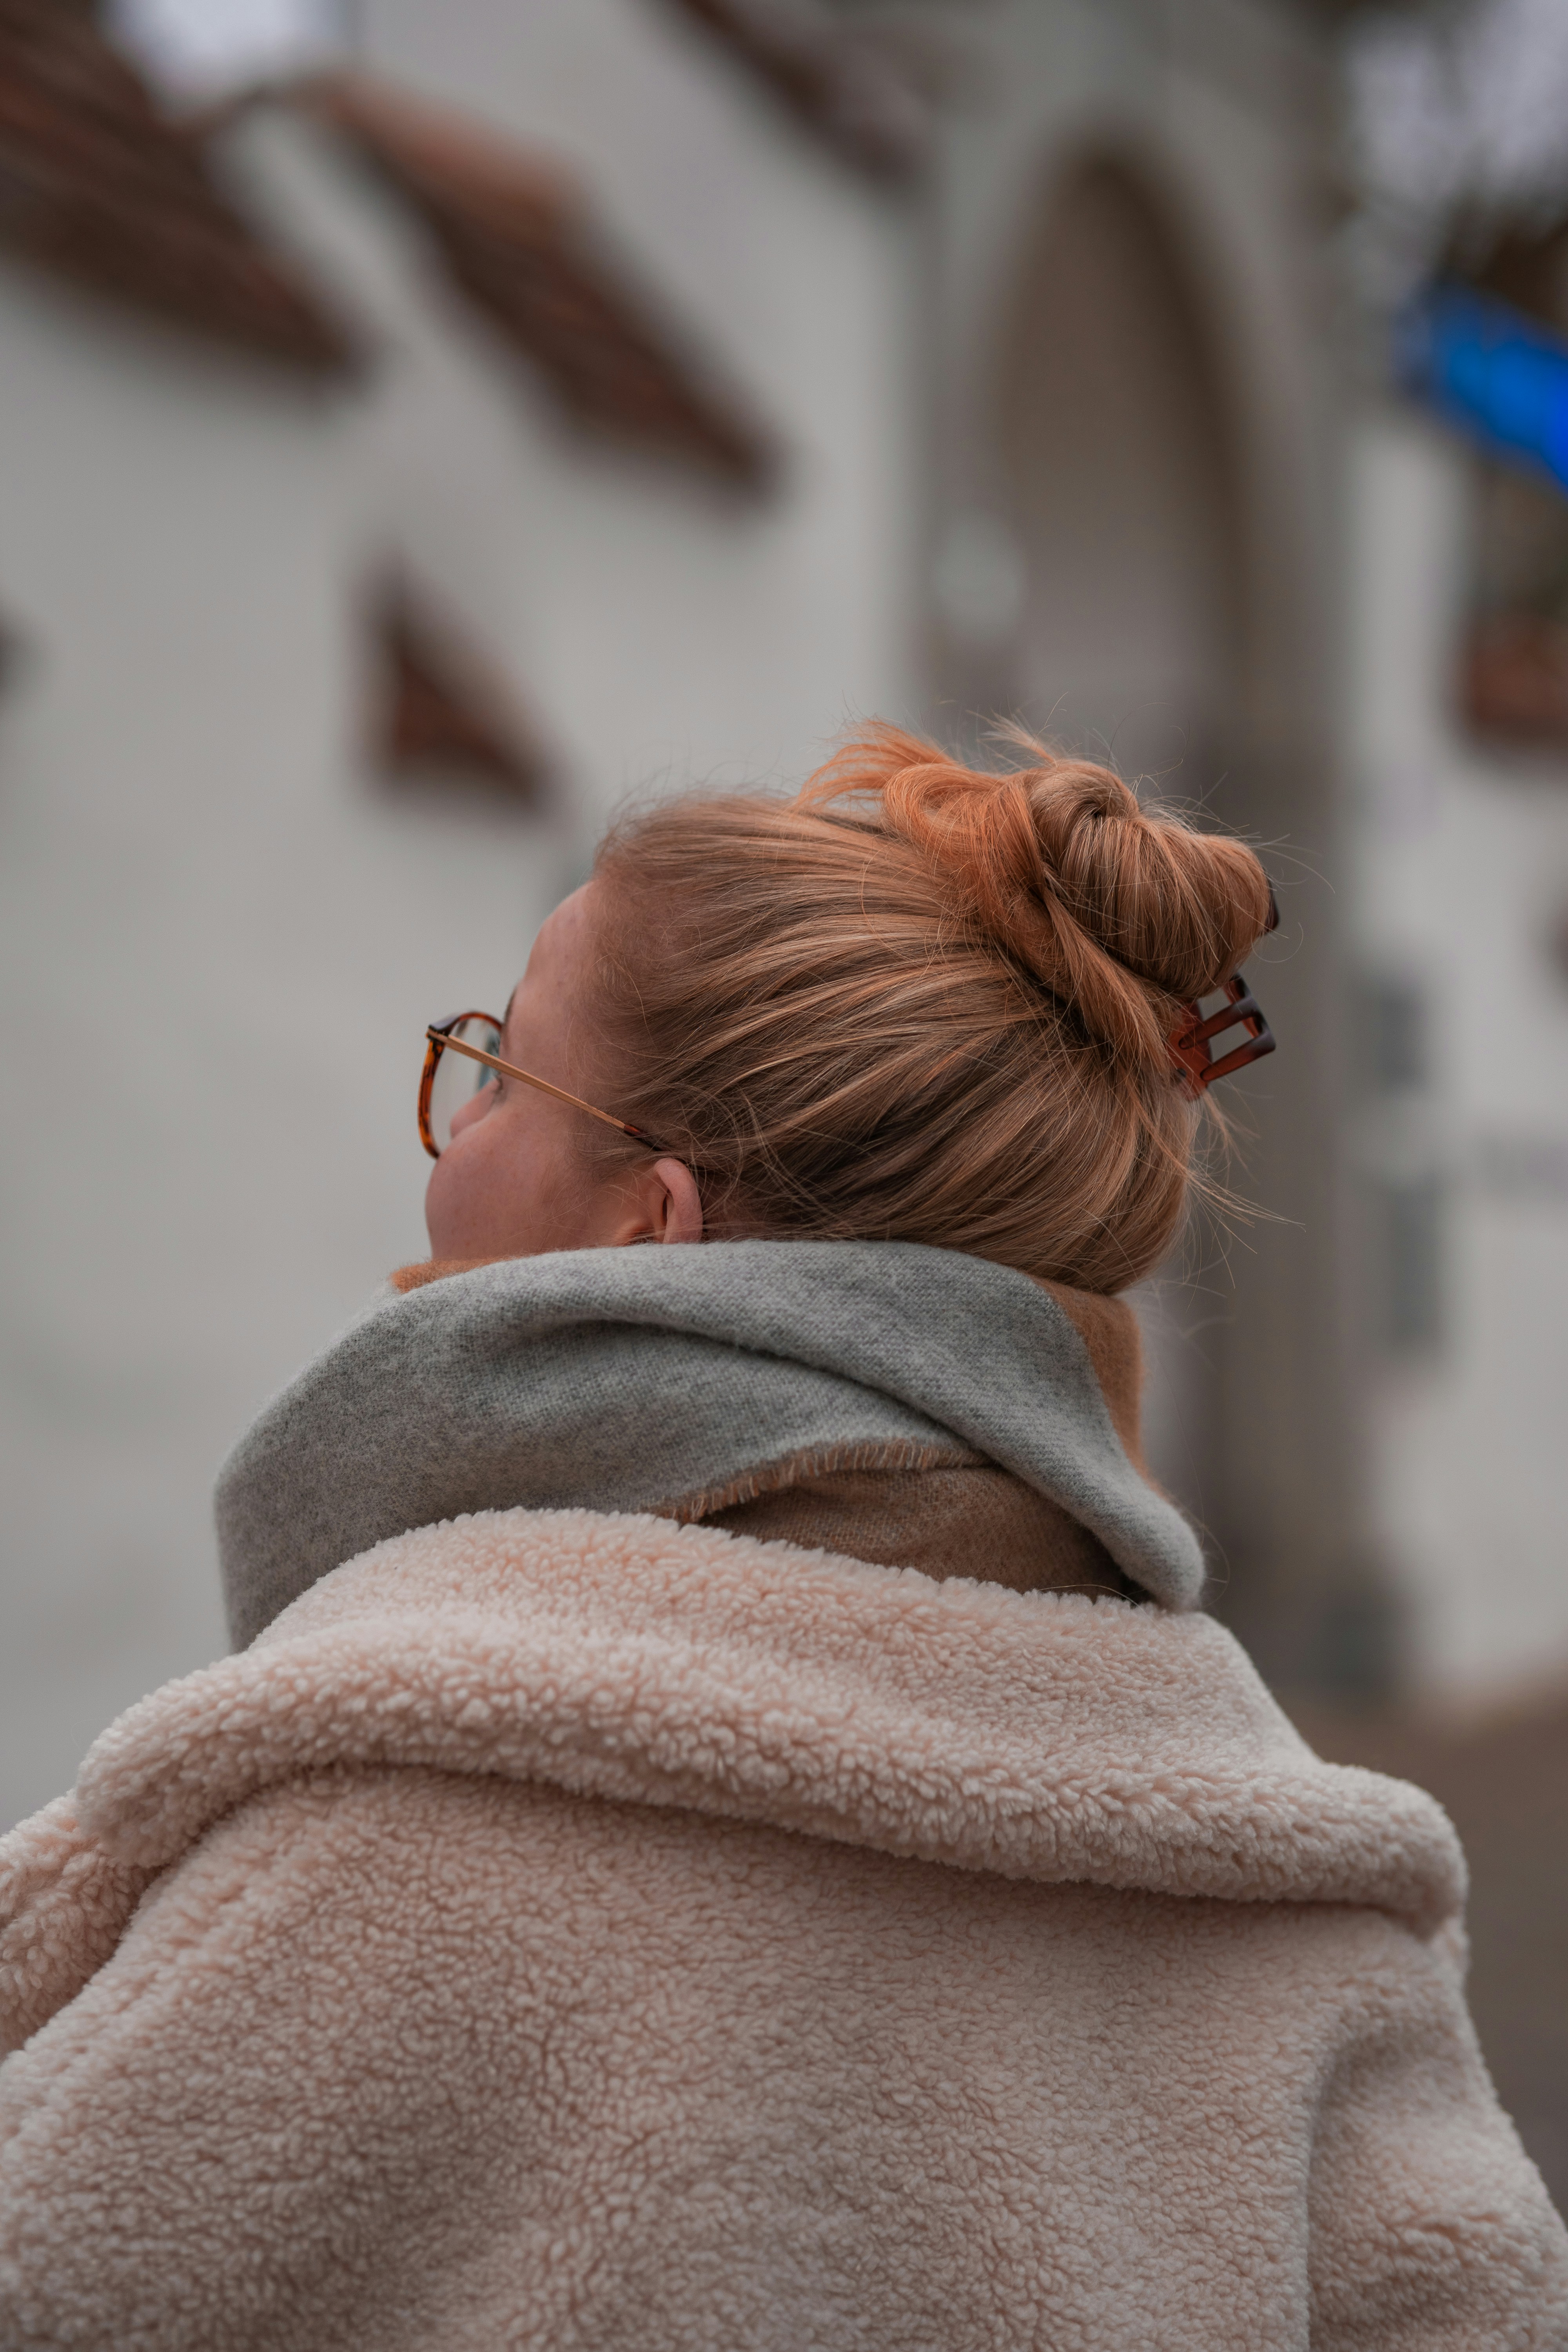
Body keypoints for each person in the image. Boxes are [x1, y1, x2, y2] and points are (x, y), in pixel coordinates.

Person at [0, 725, 1563, 2350]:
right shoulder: (1297, 1912)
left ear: (649, 1229)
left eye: (495, 1075)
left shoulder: (363, 1847)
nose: (449, 1154)